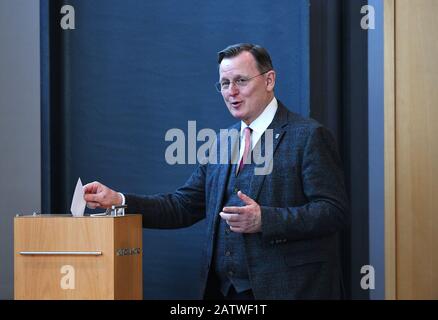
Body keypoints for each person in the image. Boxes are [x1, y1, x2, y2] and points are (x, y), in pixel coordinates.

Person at [84, 43, 349, 300]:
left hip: (291, 290)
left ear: (269, 80)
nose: (231, 91)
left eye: (241, 81)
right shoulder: (221, 142)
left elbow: (333, 212)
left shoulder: (309, 136)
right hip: (224, 292)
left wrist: (265, 220)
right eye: (225, 83)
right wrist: (119, 200)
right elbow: (183, 205)